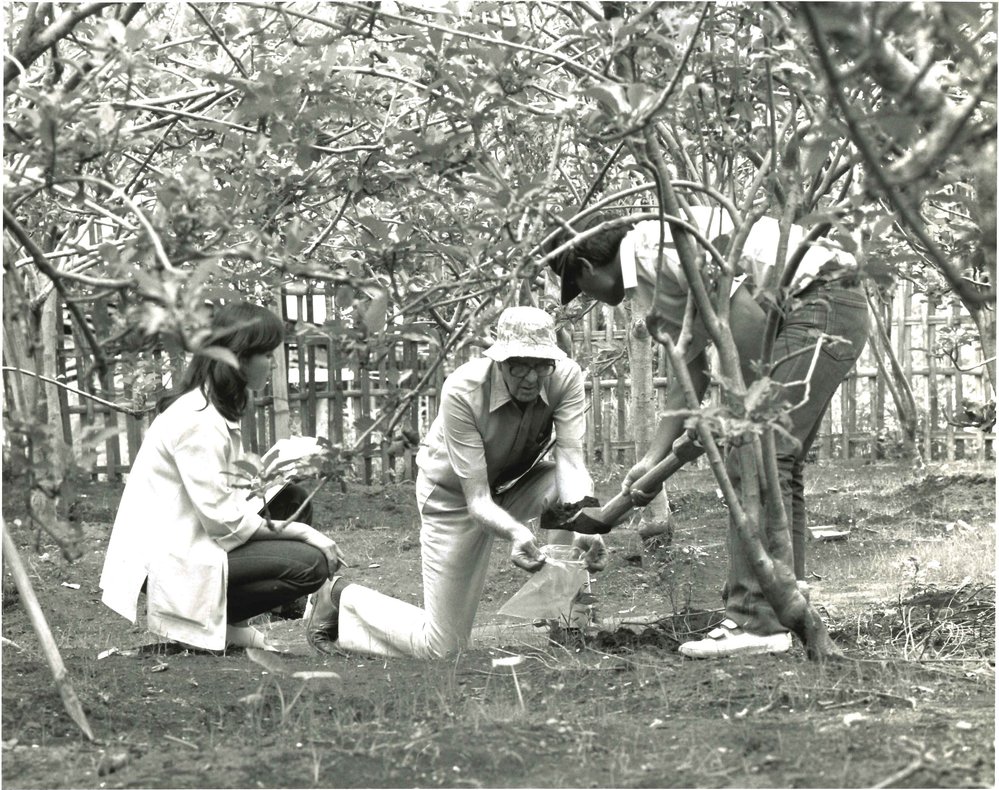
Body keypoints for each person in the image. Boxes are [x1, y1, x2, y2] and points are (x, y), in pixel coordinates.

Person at [550, 205, 870, 658]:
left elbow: (748, 324)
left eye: (579, 288)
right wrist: (654, 456)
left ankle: (756, 620)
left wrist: (731, 410)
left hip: (823, 301)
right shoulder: (651, 262)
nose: (588, 299)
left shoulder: (656, 252)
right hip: (817, 304)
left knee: (757, 454)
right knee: (776, 462)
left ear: (584, 267)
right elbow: (689, 365)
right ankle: (784, 604)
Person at [306, 306, 607, 659]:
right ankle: (340, 596)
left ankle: (566, 620)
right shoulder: (463, 390)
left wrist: (585, 524)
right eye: (519, 365)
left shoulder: (565, 377)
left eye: (542, 364)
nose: (531, 377)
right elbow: (477, 499)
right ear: (499, 359)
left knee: (571, 500)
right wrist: (515, 533)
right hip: (453, 499)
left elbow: (570, 460)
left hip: (514, 484)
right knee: (442, 649)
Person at [100, 302, 344, 652]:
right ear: (240, 358)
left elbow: (220, 492)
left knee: (291, 499)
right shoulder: (198, 421)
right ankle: (208, 626)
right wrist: (307, 533)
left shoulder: (210, 406)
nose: (273, 363)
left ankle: (229, 625)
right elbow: (224, 524)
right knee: (310, 564)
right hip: (171, 561)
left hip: (190, 537)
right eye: (267, 354)